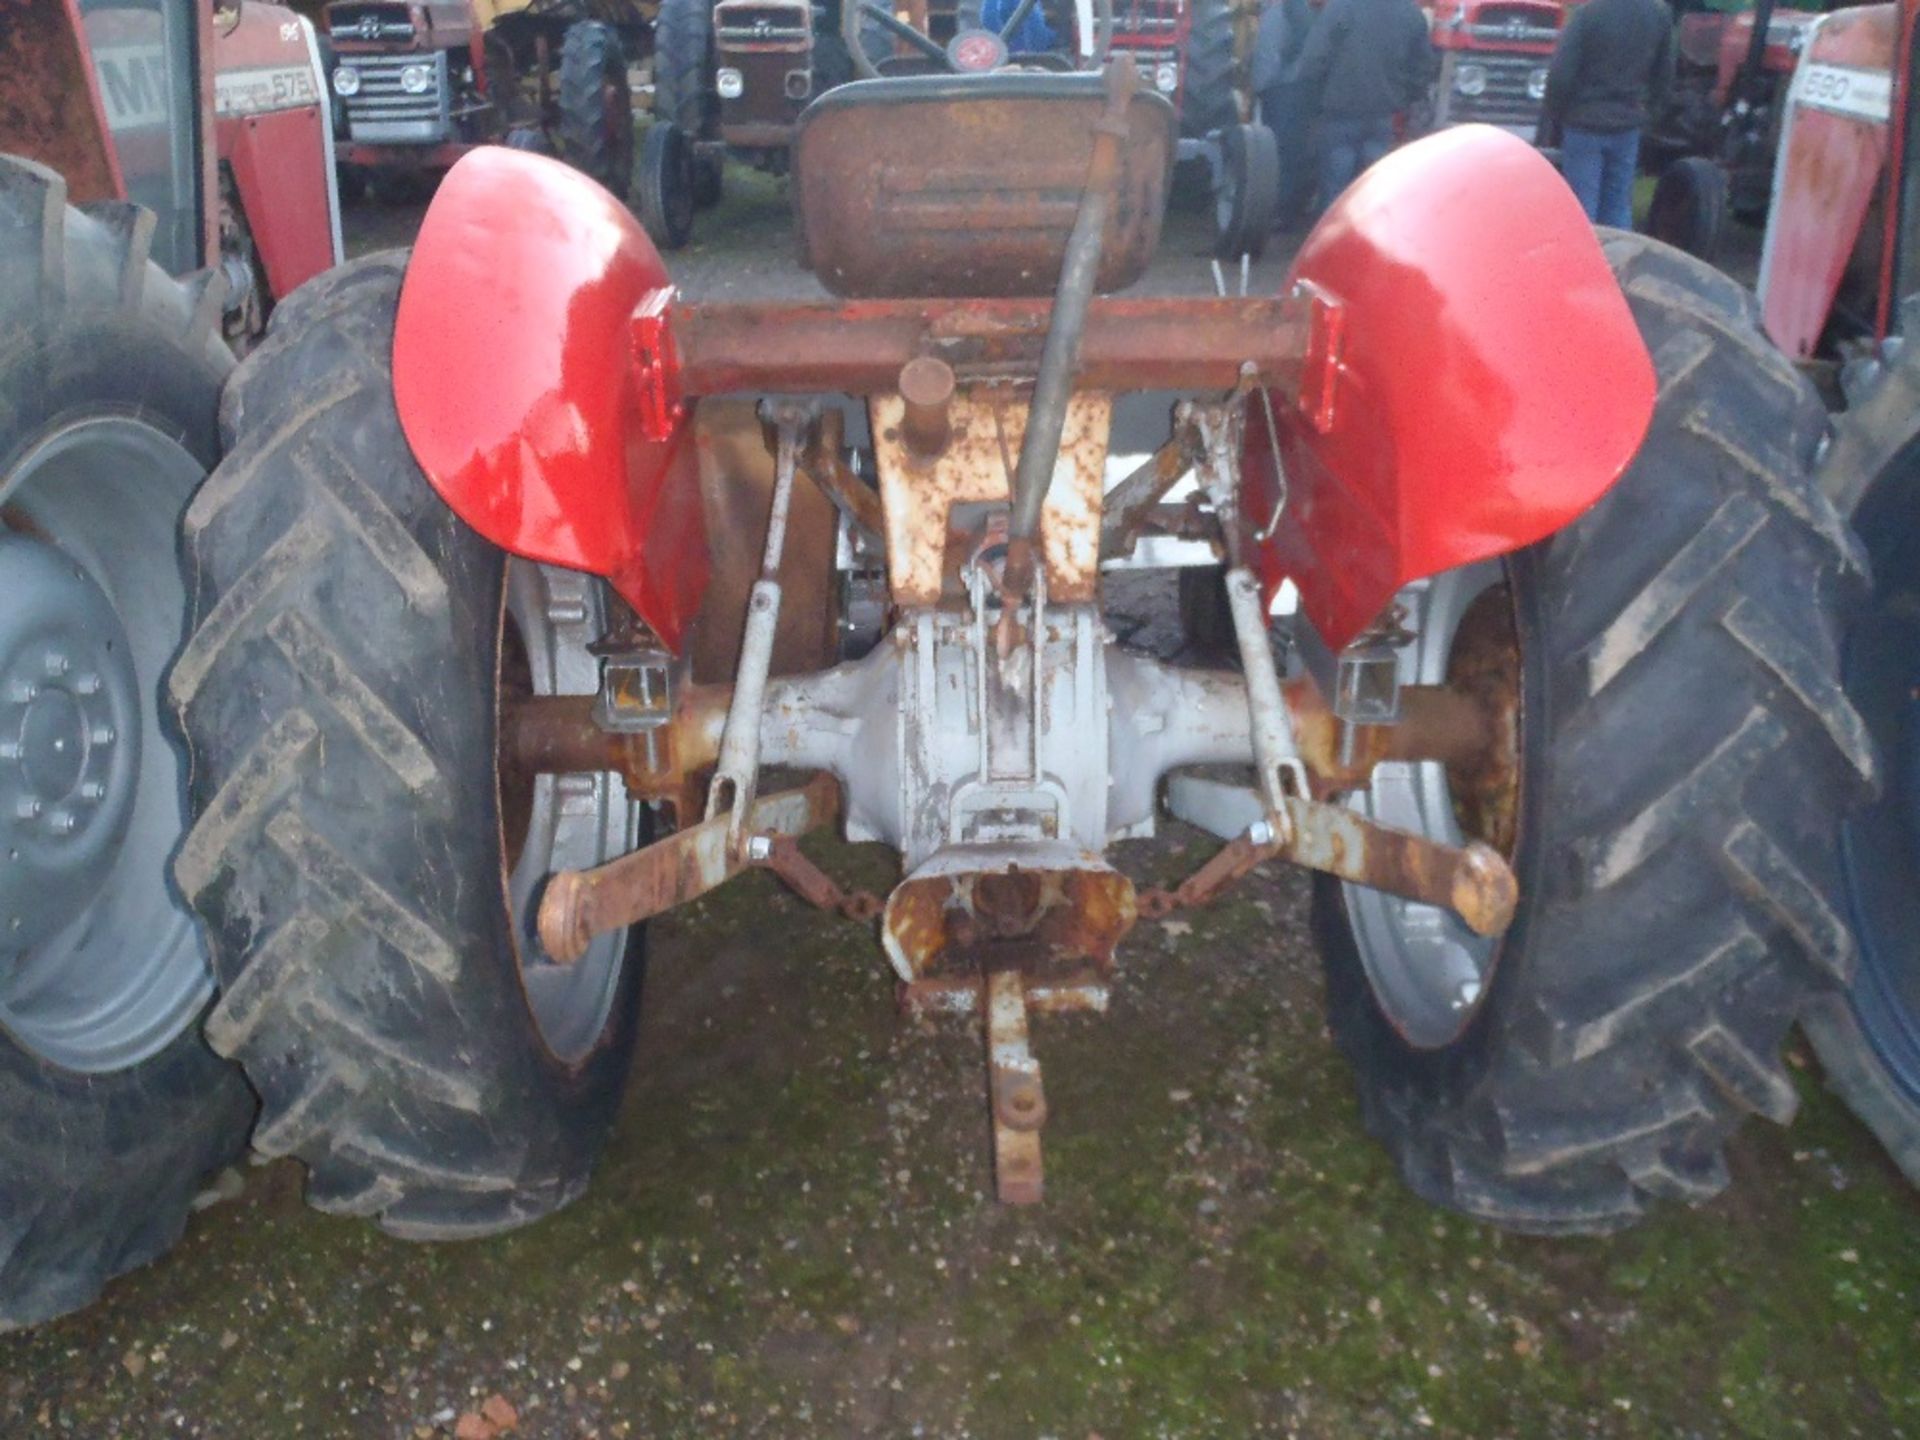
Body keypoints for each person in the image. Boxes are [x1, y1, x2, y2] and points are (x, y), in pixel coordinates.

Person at [1288, 0, 1435, 216]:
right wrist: (1403, 97)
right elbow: (1423, 66)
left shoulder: (1340, 8)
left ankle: (1332, 240)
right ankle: (1361, 239)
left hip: (1340, 111)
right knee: (1371, 187)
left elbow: (1314, 58)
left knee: (1335, 187)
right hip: (1383, 114)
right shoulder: (1410, 13)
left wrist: (1313, 98)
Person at [1542, 0, 1675, 228]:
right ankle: (1618, 262)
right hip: (1628, 122)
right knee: (1618, 207)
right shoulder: (1658, 13)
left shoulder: (1588, 13)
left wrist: (1556, 112)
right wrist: (1651, 113)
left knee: (1582, 208)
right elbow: (1665, 73)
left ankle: (1584, 261)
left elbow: (1560, 74)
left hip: (1584, 124)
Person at [1252, 0, 1318, 229]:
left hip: (1281, 90)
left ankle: (1280, 214)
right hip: (1300, 89)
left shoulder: (1276, 13)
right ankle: (1291, 210)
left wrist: (1259, 88)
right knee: (1294, 152)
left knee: (1280, 153)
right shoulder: (1303, 11)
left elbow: (1267, 56)